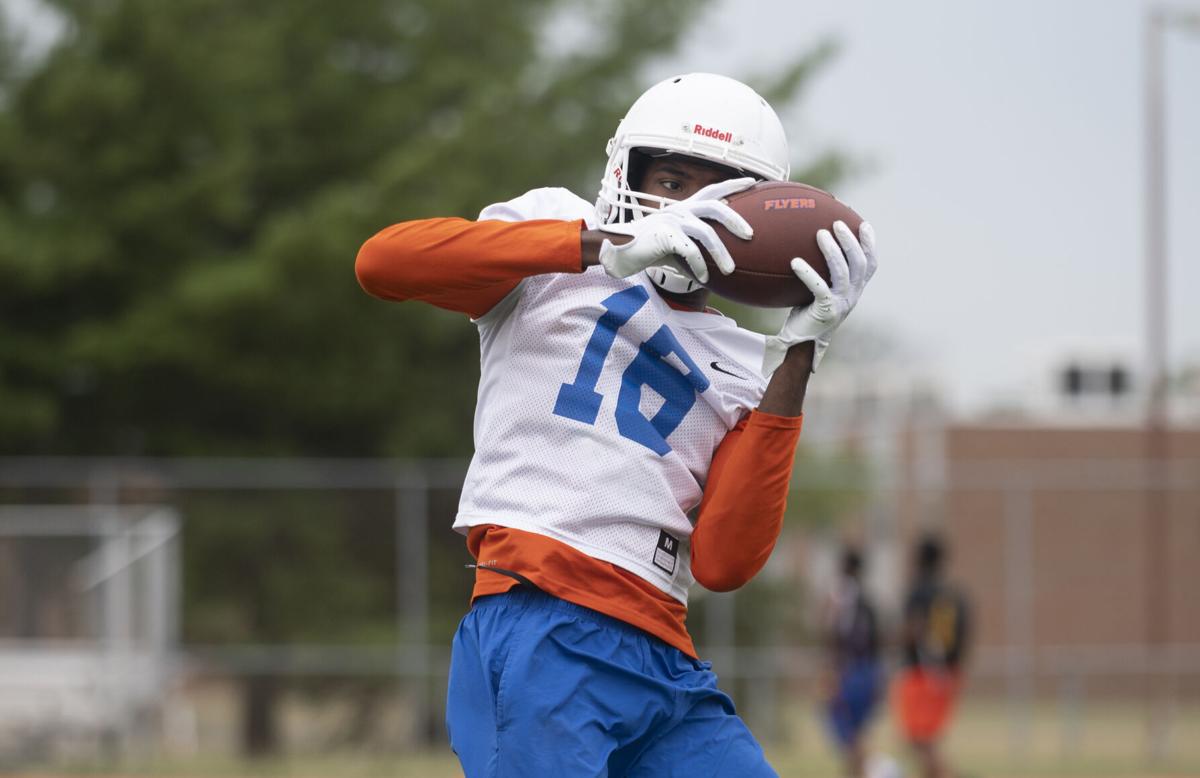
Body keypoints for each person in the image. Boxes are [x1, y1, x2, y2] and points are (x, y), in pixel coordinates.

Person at [355, 72, 877, 777]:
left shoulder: (746, 360)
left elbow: (723, 564)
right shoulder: (553, 239)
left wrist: (800, 353)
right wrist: (596, 247)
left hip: (663, 652)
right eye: (670, 178)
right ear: (623, 170)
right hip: (544, 618)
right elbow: (382, 263)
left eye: (718, 192)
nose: (686, 207)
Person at [893, 533, 972, 778]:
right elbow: (965, 634)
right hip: (949, 672)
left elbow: (913, 629)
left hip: (922, 672)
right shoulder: (955, 594)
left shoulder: (918, 591)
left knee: (919, 739)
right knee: (925, 740)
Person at [819, 545, 884, 778]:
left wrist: (831, 670)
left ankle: (875, 769)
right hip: (868, 670)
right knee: (855, 733)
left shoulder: (842, 592)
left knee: (844, 731)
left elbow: (833, 632)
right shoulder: (868, 600)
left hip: (849, 671)